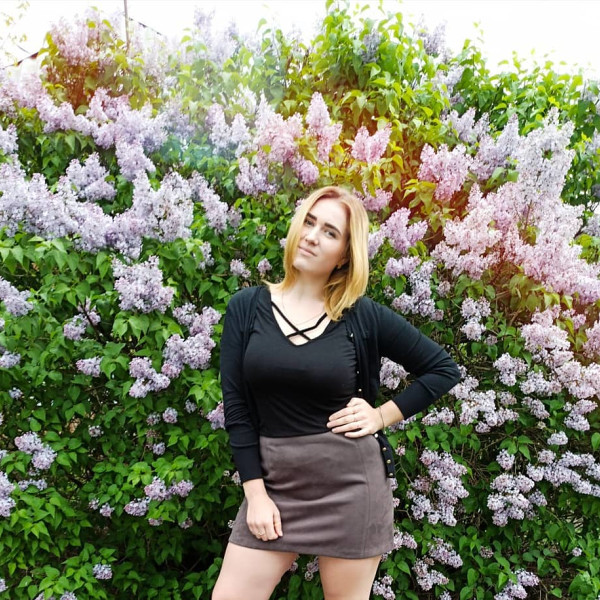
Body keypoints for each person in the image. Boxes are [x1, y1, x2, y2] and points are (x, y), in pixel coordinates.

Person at [212, 186, 461, 600]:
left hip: (351, 486)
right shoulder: (246, 306)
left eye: (329, 232)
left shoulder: (361, 316)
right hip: (273, 484)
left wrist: (381, 415)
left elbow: (443, 369)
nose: (311, 236)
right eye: (309, 222)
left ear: (345, 254)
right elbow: (237, 408)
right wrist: (255, 495)